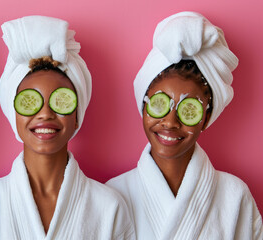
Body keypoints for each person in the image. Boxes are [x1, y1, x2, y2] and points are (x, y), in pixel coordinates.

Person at [0, 16, 134, 239]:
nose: (46, 114)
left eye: (60, 102)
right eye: (30, 102)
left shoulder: (110, 207)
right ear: (15, 117)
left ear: (76, 117)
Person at [107, 11, 262, 239]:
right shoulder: (113, 194)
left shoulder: (234, 195)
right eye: (159, 105)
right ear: (143, 108)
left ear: (206, 119)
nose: (170, 122)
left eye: (188, 109)